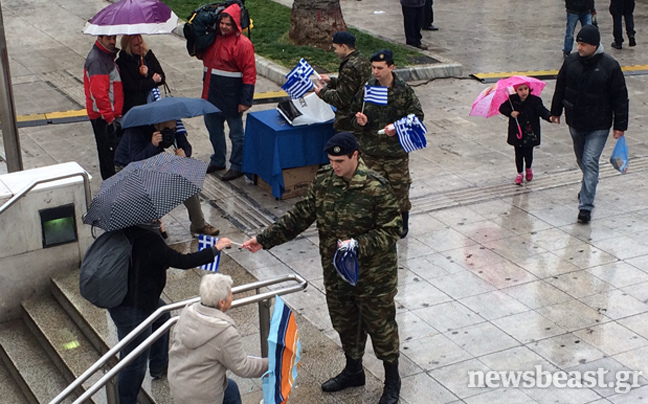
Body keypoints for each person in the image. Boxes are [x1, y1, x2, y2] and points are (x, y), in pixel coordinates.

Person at [241, 132, 403, 404]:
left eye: (340, 160)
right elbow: (300, 215)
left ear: (355, 155)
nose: (335, 166)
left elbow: (393, 229)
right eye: (331, 160)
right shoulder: (325, 181)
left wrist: (359, 244)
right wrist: (264, 239)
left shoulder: (376, 187)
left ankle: (392, 380)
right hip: (338, 274)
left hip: (374, 276)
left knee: (381, 327)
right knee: (344, 322)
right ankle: (353, 371)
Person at [108, 222, 231, 404]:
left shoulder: (124, 231)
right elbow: (182, 261)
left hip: (128, 297)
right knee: (134, 361)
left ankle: (158, 365)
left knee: (162, 317)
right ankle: (127, 401)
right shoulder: (148, 240)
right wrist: (215, 248)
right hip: (133, 308)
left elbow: (155, 258)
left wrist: (161, 234)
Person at [550, 25, 629, 224]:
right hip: (575, 122)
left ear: (594, 45)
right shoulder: (571, 62)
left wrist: (620, 125)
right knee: (582, 161)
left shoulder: (610, 66)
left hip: (599, 125)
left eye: (583, 44)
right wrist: (555, 110)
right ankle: (589, 183)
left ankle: (585, 206)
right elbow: (561, 86)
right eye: (578, 43)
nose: (579, 47)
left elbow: (620, 97)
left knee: (590, 160)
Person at [351, 49, 424, 238]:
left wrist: (397, 127)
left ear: (391, 67)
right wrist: (360, 121)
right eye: (373, 67)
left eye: (380, 68)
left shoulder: (403, 90)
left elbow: (417, 116)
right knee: (370, 190)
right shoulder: (368, 88)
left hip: (395, 153)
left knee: (399, 189)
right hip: (371, 150)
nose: (375, 72)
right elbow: (353, 114)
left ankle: (401, 222)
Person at [168, 273, 268, 404]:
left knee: (230, 390)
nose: (232, 295)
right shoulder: (225, 333)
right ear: (222, 302)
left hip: (178, 383)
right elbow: (243, 367)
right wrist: (273, 362)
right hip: (203, 396)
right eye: (230, 294)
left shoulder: (188, 312)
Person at [114, 119, 220, 236]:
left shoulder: (174, 124)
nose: (170, 132)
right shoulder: (136, 130)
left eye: (173, 129)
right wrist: (152, 145)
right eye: (166, 130)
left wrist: (184, 153)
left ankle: (198, 225)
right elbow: (135, 161)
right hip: (127, 168)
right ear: (156, 124)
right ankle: (151, 221)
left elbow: (185, 145)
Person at [197, 3, 257, 181]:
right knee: (213, 130)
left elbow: (249, 73)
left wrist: (245, 100)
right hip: (211, 94)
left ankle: (237, 165)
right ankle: (218, 159)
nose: (223, 26)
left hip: (232, 96)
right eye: (222, 23)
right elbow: (200, 54)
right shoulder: (212, 39)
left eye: (228, 24)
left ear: (236, 24)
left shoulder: (243, 45)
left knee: (236, 134)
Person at [84, 35, 123, 180]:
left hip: (107, 116)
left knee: (108, 154)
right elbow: (100, 95)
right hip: (104, 118)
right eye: (108, 38)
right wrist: (110, 118)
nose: (113, 41)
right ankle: (112, 190)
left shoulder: (104, 57)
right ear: (99, 38)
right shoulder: (97, 61)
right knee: (108, 155)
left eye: (114, 38)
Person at [315, 31, 372, 133]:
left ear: (344, 47)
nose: (335, 51)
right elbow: (352, 85)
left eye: (336, 48)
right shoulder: (362, 60)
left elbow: (340, 99)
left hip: (349, 122)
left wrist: (321, 92)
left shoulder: (349, 67)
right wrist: (331, 81)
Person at [499, 83, 552, 185]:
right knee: (518, 153)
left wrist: (549, 117)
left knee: (528, 153)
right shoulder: (512, 100)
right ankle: (519, 172)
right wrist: (511, 112)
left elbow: (542, 111)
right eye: (520, 89)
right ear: (516, 91)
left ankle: (528, 168)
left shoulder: (535, 101)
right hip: (517, 132)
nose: (523, 92)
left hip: (529, 132)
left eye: (525, 89)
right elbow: (502, 108)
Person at [116, 35, 164, 115]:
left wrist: (149, 74)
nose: (140, 46)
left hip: (151, 102)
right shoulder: (122, 62)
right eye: (136, 45)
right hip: (134, 106)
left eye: (141, 43)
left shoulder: (148, 55)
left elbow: (161, 76)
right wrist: (151, 81)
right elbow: (131, 85)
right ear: (128, 47)